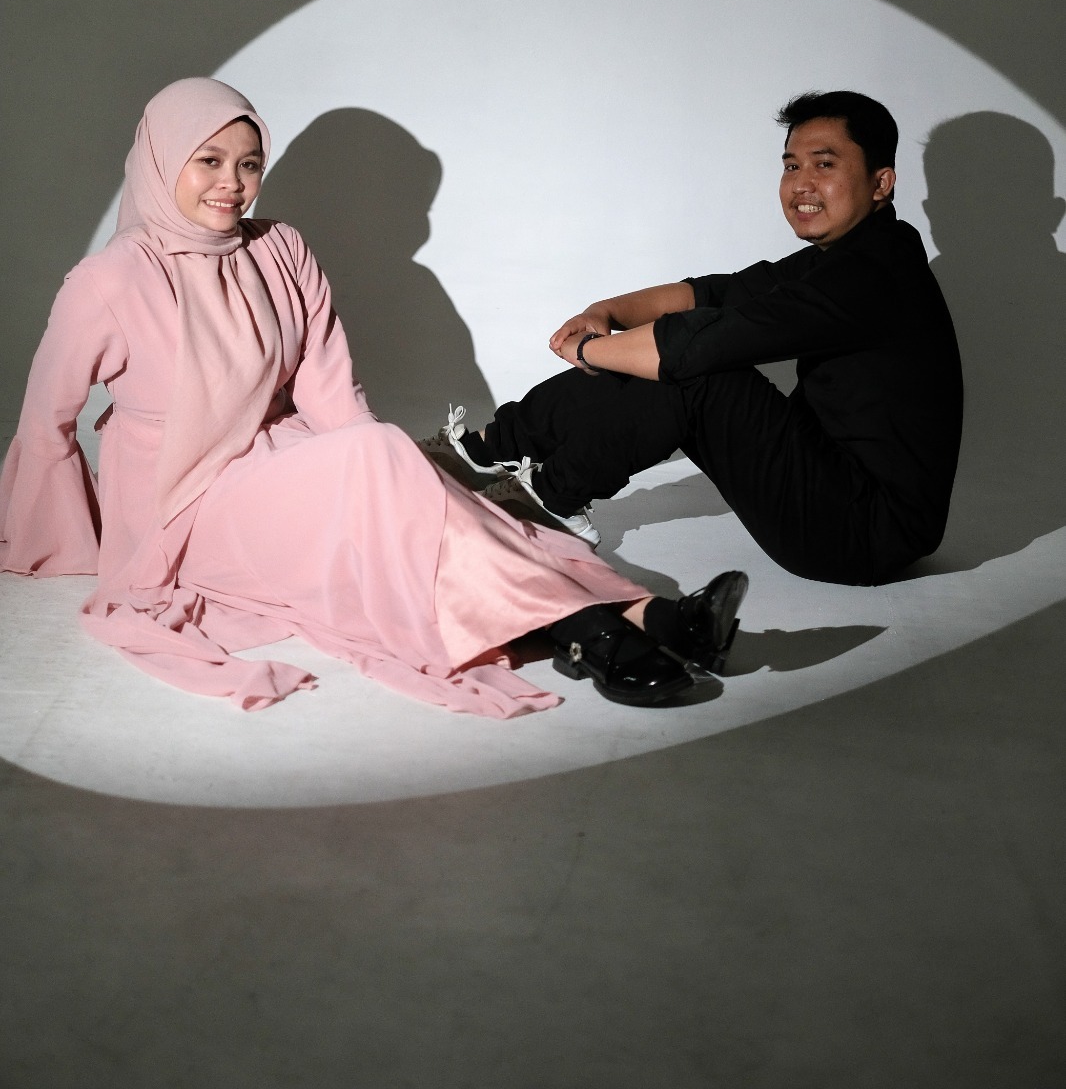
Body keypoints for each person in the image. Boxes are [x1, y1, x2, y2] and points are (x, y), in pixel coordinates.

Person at [0, 78, 748, 716]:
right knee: (391, 472)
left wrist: (387, 490)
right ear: (162, 161)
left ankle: (640, 620)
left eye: (250, 164)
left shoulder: (279, 248)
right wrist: (64, 540)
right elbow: (46, 419)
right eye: (209, 161)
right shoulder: (108, 281)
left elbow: (331, 390)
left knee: (415, 497)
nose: (232, 182)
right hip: (185, 507)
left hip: (284, 467)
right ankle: (604, 630)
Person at [434, 91, 963, 587]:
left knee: (696, 373)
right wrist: (607, 311)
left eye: (824, 165)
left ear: (880, 183)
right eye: (790, 166)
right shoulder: (852, 256)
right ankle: (482, 452)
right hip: (841, 491)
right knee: (687, 356)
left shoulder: (873, 274)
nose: (801, 184)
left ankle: (542, 503)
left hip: (863, 533)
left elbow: (698, 344)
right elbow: (715, 293)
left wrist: (588, 350)